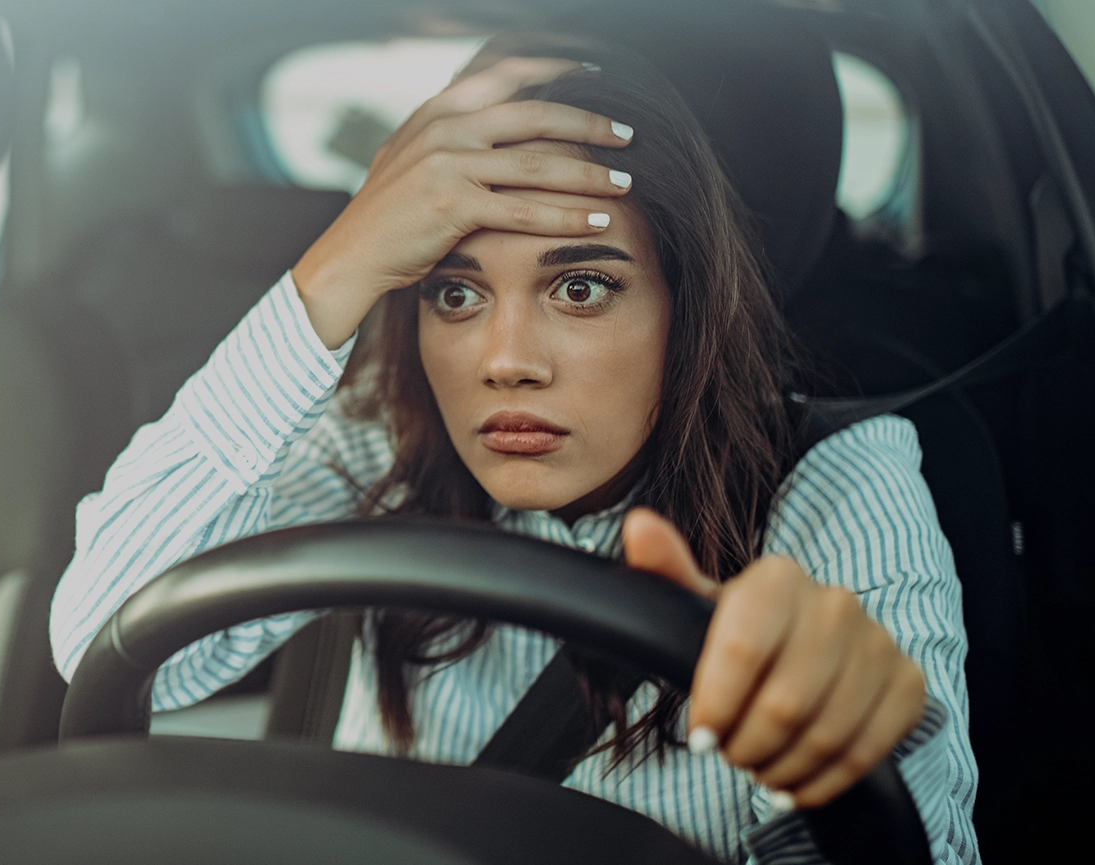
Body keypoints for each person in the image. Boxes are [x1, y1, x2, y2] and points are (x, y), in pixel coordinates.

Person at [49, 54, 977, 864]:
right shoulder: (381, 444)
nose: (504, 360)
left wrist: (830, 762)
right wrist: (331, 272)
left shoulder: (841, 485)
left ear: (688, 309)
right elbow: (102, 638)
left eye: (579, 287)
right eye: (455, 293)